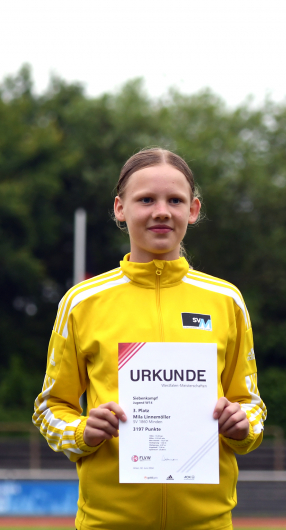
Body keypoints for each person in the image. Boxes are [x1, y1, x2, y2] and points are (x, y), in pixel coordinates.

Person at [32, 148, 267, 530]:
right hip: (108, 522)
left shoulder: (226, 300)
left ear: (192, 210)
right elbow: (49, 408)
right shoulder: (82, 302)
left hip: (207, 522)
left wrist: (242, 425)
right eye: (146, 200)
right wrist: (81, 432)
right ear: (120, 209)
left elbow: (251, 404)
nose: (161, 211)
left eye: (175, 200)